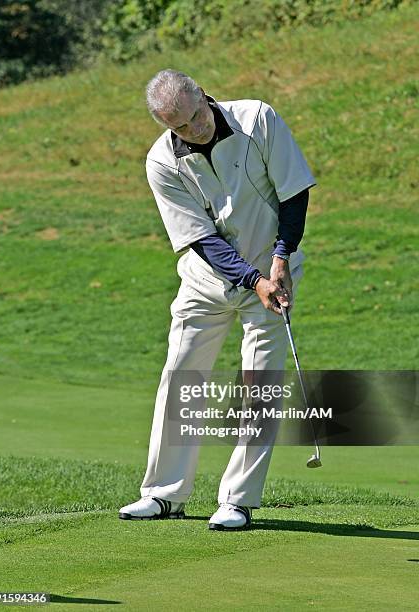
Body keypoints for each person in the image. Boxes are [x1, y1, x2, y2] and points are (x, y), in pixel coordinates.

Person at [119, 69, 316, 530]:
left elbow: (294, 193)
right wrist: (252, 280)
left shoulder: (258, 119)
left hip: (274, 274)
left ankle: (237, 500)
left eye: (194, 118)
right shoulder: (162, 160)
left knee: (260, 384)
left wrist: (281, 259)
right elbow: (201, 239)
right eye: (179, 127)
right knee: (181, 374)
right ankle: (164, 494)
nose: (192, 131)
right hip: (207, 280)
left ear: (204, 97)